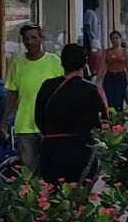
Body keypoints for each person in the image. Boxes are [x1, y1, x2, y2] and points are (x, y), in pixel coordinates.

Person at [34, 44, 108, 185]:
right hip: (82, 149)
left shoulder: (47, 86)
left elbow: (38, 117)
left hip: (52, 149)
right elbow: (104, 121)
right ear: (84, 63)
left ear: (62, 63)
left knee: (52, 197)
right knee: (78, 196)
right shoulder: (91, 90)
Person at [4, 24, 64, 172]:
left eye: (33, 38)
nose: (30, 42)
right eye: (26, 39)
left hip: (49, 124)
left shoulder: (54, 61)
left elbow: (62, 91)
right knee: (29, 171)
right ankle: (30, 195)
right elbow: (12, 93)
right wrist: (4, 120)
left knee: (50, 167)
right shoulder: (17, 63)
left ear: (41, 39)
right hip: (24, 125)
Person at [100, 30, 128, 110]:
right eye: (113, 38)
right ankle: (111, 120)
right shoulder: (107, 52)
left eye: (116, 38)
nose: (114, 40)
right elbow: (102, 66)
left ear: (120, 39)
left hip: (120, 77)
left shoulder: (125, 51)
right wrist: (98, 79)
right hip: (109, 77)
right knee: (110, 102)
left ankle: (119, 120)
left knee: (119, 100)